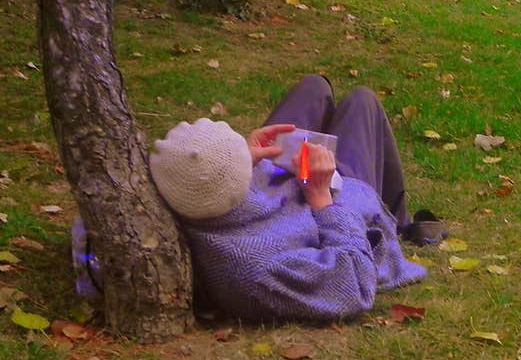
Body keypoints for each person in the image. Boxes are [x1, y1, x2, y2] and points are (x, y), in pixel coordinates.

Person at [148, 75, 445, 323]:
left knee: (315, 86)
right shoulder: (258, 273)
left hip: (284, 184)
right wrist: (321, 196)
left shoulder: (187, 190)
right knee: (362, 102)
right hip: (333, 197)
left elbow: (201, 169)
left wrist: (243, 156)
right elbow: (352, 287)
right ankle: (399, 221)